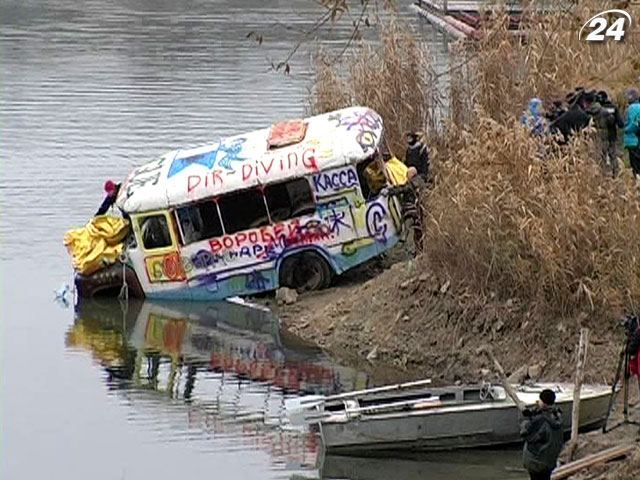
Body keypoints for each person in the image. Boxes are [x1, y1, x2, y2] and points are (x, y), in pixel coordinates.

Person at [520, 389, 564, 480]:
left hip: (536, 461)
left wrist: (526, 420)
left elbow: (525, 433)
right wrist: (534, 413)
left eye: (540, 400)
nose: (538, 402)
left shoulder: (541, 420)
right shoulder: (557, 415)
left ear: (543, 403)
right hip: (550, 459)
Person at [382, 167, 426, 255]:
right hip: (419, 211)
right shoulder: (421, 181)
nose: (406, 177)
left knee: (410, 232)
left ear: (412, 174)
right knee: (419, 232)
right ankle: (419, 251)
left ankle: (412, 251)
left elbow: (403, 188)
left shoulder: (414, 182)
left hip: (412, 211)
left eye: (407, 175)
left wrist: (390, 191)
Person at [595, 90, 624, 177]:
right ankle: (616, 174)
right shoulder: (614, 108)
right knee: (613, 156)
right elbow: (621, 124)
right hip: (612, 136)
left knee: (602, 156)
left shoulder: (597, 110)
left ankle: (603, 175)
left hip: (601, 137)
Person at [624, 88, 640, 183]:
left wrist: (626, 130)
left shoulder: (629, 109)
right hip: (637, 140)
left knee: (635, 167)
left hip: (632, 140)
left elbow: (626, 124)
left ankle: (636, 185)